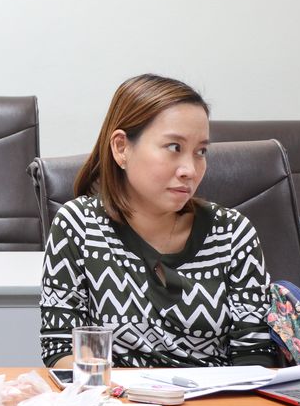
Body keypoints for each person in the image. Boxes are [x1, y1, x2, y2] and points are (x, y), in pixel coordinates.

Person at [40, 74, 280, 369]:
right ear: (121, 148)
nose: (190, 170)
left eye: (201, 152)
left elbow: (255, 355)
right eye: (174, 147)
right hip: (116, 395)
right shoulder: (78, 226)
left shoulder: (233, 233)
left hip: (218, 396)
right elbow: (61, 348)